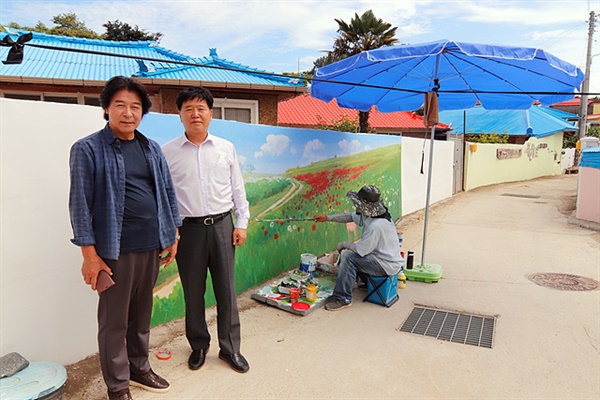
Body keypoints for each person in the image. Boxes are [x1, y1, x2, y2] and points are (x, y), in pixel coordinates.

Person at [69, 76, 181, 400]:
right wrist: (89, 256)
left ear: (143, 112)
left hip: (151, 246)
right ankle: (117, 387)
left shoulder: (151, 148)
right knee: (114, 322)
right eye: (120, 104)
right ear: (106, 108)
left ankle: (139, 367)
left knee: (141, 315)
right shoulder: (87, 149)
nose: (128, 112)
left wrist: (172, 233)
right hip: (113, 252)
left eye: (135, 106)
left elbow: (167, 194)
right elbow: (79, 205)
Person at [162, 86, 250, 373]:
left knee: (226, 290)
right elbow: (165, 196)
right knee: (193, 292)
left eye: (201, 108)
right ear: (180, 115)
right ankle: (199, 345)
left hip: (223, 227)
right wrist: (171, 232)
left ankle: (230, 348)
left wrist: (242, 223)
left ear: (211, 113)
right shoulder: (168, 152)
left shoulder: (225, 148)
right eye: (188, 109)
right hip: (189, 232)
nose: (195, 114)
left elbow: (238, 188)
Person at [313, 185, 403, 311]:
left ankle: (343, 298)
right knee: (353, 255)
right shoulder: (374, 216)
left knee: (349, 257)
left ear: (365, 207)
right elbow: (350, 216)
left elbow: (362, 250)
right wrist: (327, 218)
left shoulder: (375, 226)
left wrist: (345, 244)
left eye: (358, 204)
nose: (355, 207)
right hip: (383, 260)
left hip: (386, 266)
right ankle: (367, 283)